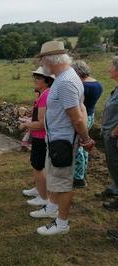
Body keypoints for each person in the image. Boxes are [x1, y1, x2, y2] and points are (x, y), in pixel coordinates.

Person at [30, 41, 95, 235]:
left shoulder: (65, 82)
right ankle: (51, 207)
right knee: (55, 177)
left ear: (50, 59)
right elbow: (80, 108)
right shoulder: (63, 77)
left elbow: (76, 116)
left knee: (63, 183)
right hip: (58, 138)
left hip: (63, 141)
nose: (41, 63)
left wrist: (86, 139)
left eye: (42, 59)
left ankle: (62, 223)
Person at [21, 67, 54, 207]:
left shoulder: (45, 95)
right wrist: (29, 116)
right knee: (38, 165)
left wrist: (26, 125)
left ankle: (43, 197)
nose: (35, 80)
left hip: (41, 136)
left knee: (38, 166)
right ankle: (39, 189)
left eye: (38, 78)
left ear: (47, 81)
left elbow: (41, 124)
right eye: (35, 77)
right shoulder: (43, 94)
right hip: (40, 136)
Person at [71, 60, 103, 188]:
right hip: (91, 115)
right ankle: (83, 173)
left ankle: (78, 179)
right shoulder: (97, 84)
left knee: (78, 146)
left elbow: (79, 105)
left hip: (83, 117)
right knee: (85, 146)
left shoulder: (83, 86)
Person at [98, 56, 118, 211]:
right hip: (109, 133)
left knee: (116, 164)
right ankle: (114, 188)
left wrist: (115, 131)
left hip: (114, 135)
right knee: (112, 164)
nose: (109, 69)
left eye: (111, 66)